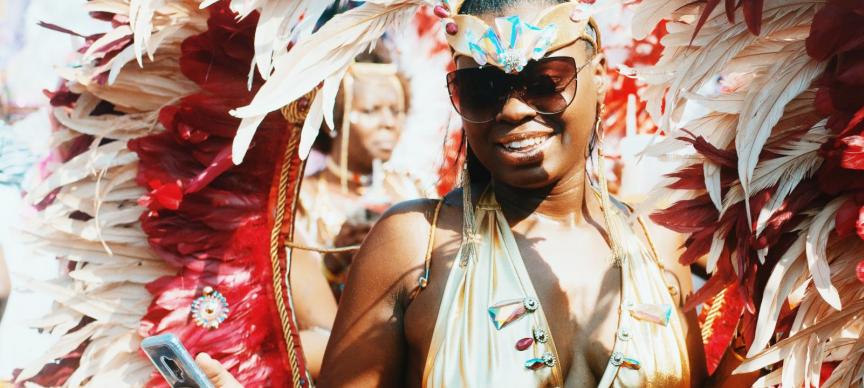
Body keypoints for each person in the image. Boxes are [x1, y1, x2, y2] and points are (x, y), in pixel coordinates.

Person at [199, 0, 759, 386]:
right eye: (483, 89)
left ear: (601, 77)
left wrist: (761, 340)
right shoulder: (411, 245)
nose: (514, 109)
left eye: (546, 80)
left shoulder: (660, 245)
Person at [288, 61, 412, 379]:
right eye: (372, 111)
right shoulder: (300, 197)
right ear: (336, 119)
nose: (389, 123)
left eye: (396, 111)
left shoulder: (415, 190)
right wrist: (334, 265)